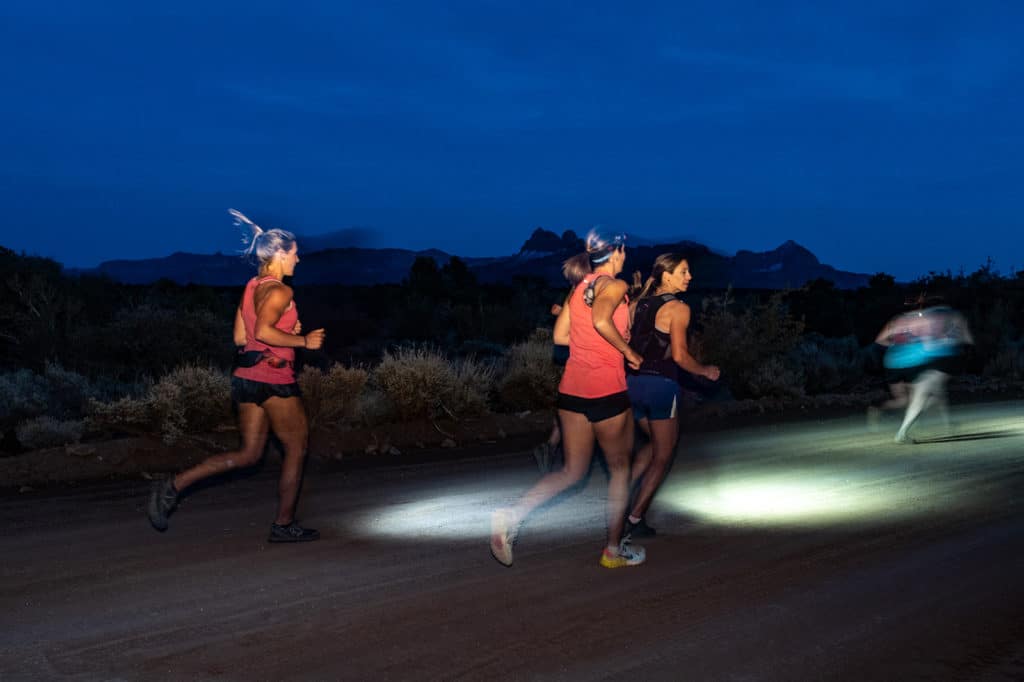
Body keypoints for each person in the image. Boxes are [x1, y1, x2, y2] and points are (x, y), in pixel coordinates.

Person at [146, 209, 326, 542]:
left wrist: (287, 326)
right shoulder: (282, 291)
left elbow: (242, 338)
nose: (298, 259)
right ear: (278, 255)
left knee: (248, 454)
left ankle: (173, 486)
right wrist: (303, 340)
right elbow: (265, 332)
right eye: (294, 252)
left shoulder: (251, 286)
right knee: (297, 449)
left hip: (246, 378)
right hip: (275, 381)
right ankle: (283, 525)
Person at [491, 229, 646, 568]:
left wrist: (592, 338)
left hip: (572, 390)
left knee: (572, 471)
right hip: (607, 390)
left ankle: (512, 516)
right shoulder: (614, 286)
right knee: (621, 470)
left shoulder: (580, 288)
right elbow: (603, 321)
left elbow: (561, 336)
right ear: (618, 252)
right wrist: (628, 351)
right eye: (625, 251)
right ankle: (612, 551)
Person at [624, 253, 720, 538]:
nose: (689, 277)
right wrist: (704, 370)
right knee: (664, 455)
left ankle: (622, 495)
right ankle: (633, 517)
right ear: (666, 275)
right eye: (683, 272)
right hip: (661, 387)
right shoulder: (679, 308)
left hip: (632, 385)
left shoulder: (637, 304)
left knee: (653, 444)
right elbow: (679, 356)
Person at [870, 296, 973, 443]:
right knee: (920, 398)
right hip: (925, 362)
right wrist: (949, 341)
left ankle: (941, 423)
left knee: (930, 395)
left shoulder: (901, 321)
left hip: (909, 363)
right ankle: (903, 430)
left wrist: (897, 346)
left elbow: (885, 340)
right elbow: (933, 342)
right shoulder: (931, 319)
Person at [533, 257, 591, 473]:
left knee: (570, 404)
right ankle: (570, 454)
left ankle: (550, 446)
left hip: (568, 357)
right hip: (575, 358)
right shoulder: (581, 294)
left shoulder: (575, 293)